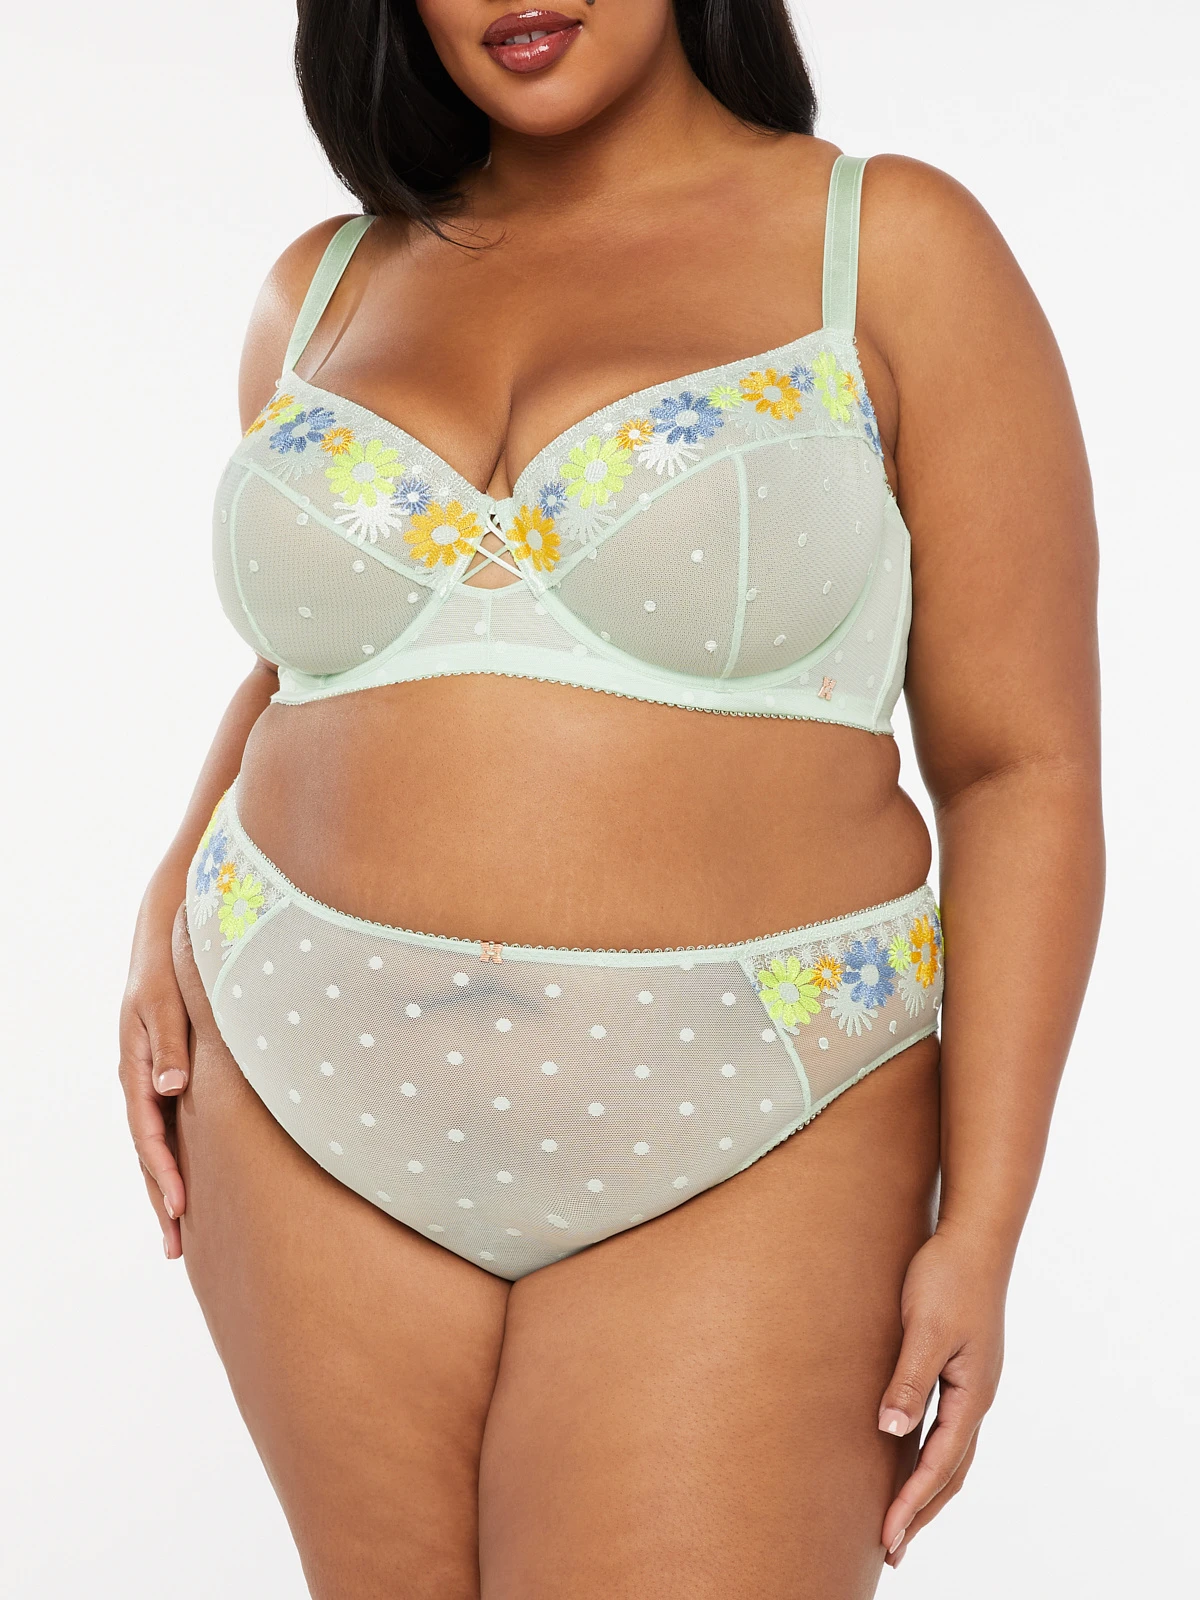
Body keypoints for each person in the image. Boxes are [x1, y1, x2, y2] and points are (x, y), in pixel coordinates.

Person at [118, 2, 1103, 1594]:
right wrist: (170, 879)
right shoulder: (323, 286)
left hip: (761, 1105)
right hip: (300, 1086)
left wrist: (982, 1223)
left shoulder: (890, 248)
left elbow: (1022, 769)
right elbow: (320, 662)